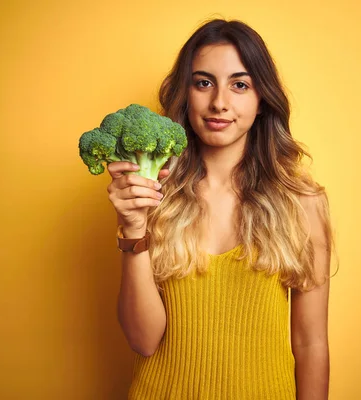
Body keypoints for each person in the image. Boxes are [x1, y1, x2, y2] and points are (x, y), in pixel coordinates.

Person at [108, 18, 336, 400]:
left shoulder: (302, 201)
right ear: (186, 93)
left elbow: (311, 343)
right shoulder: (151, 193)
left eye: (240, 84)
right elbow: (143, 341)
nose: (219, 102)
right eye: (203, 82)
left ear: (262, 100)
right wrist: (133, 229)